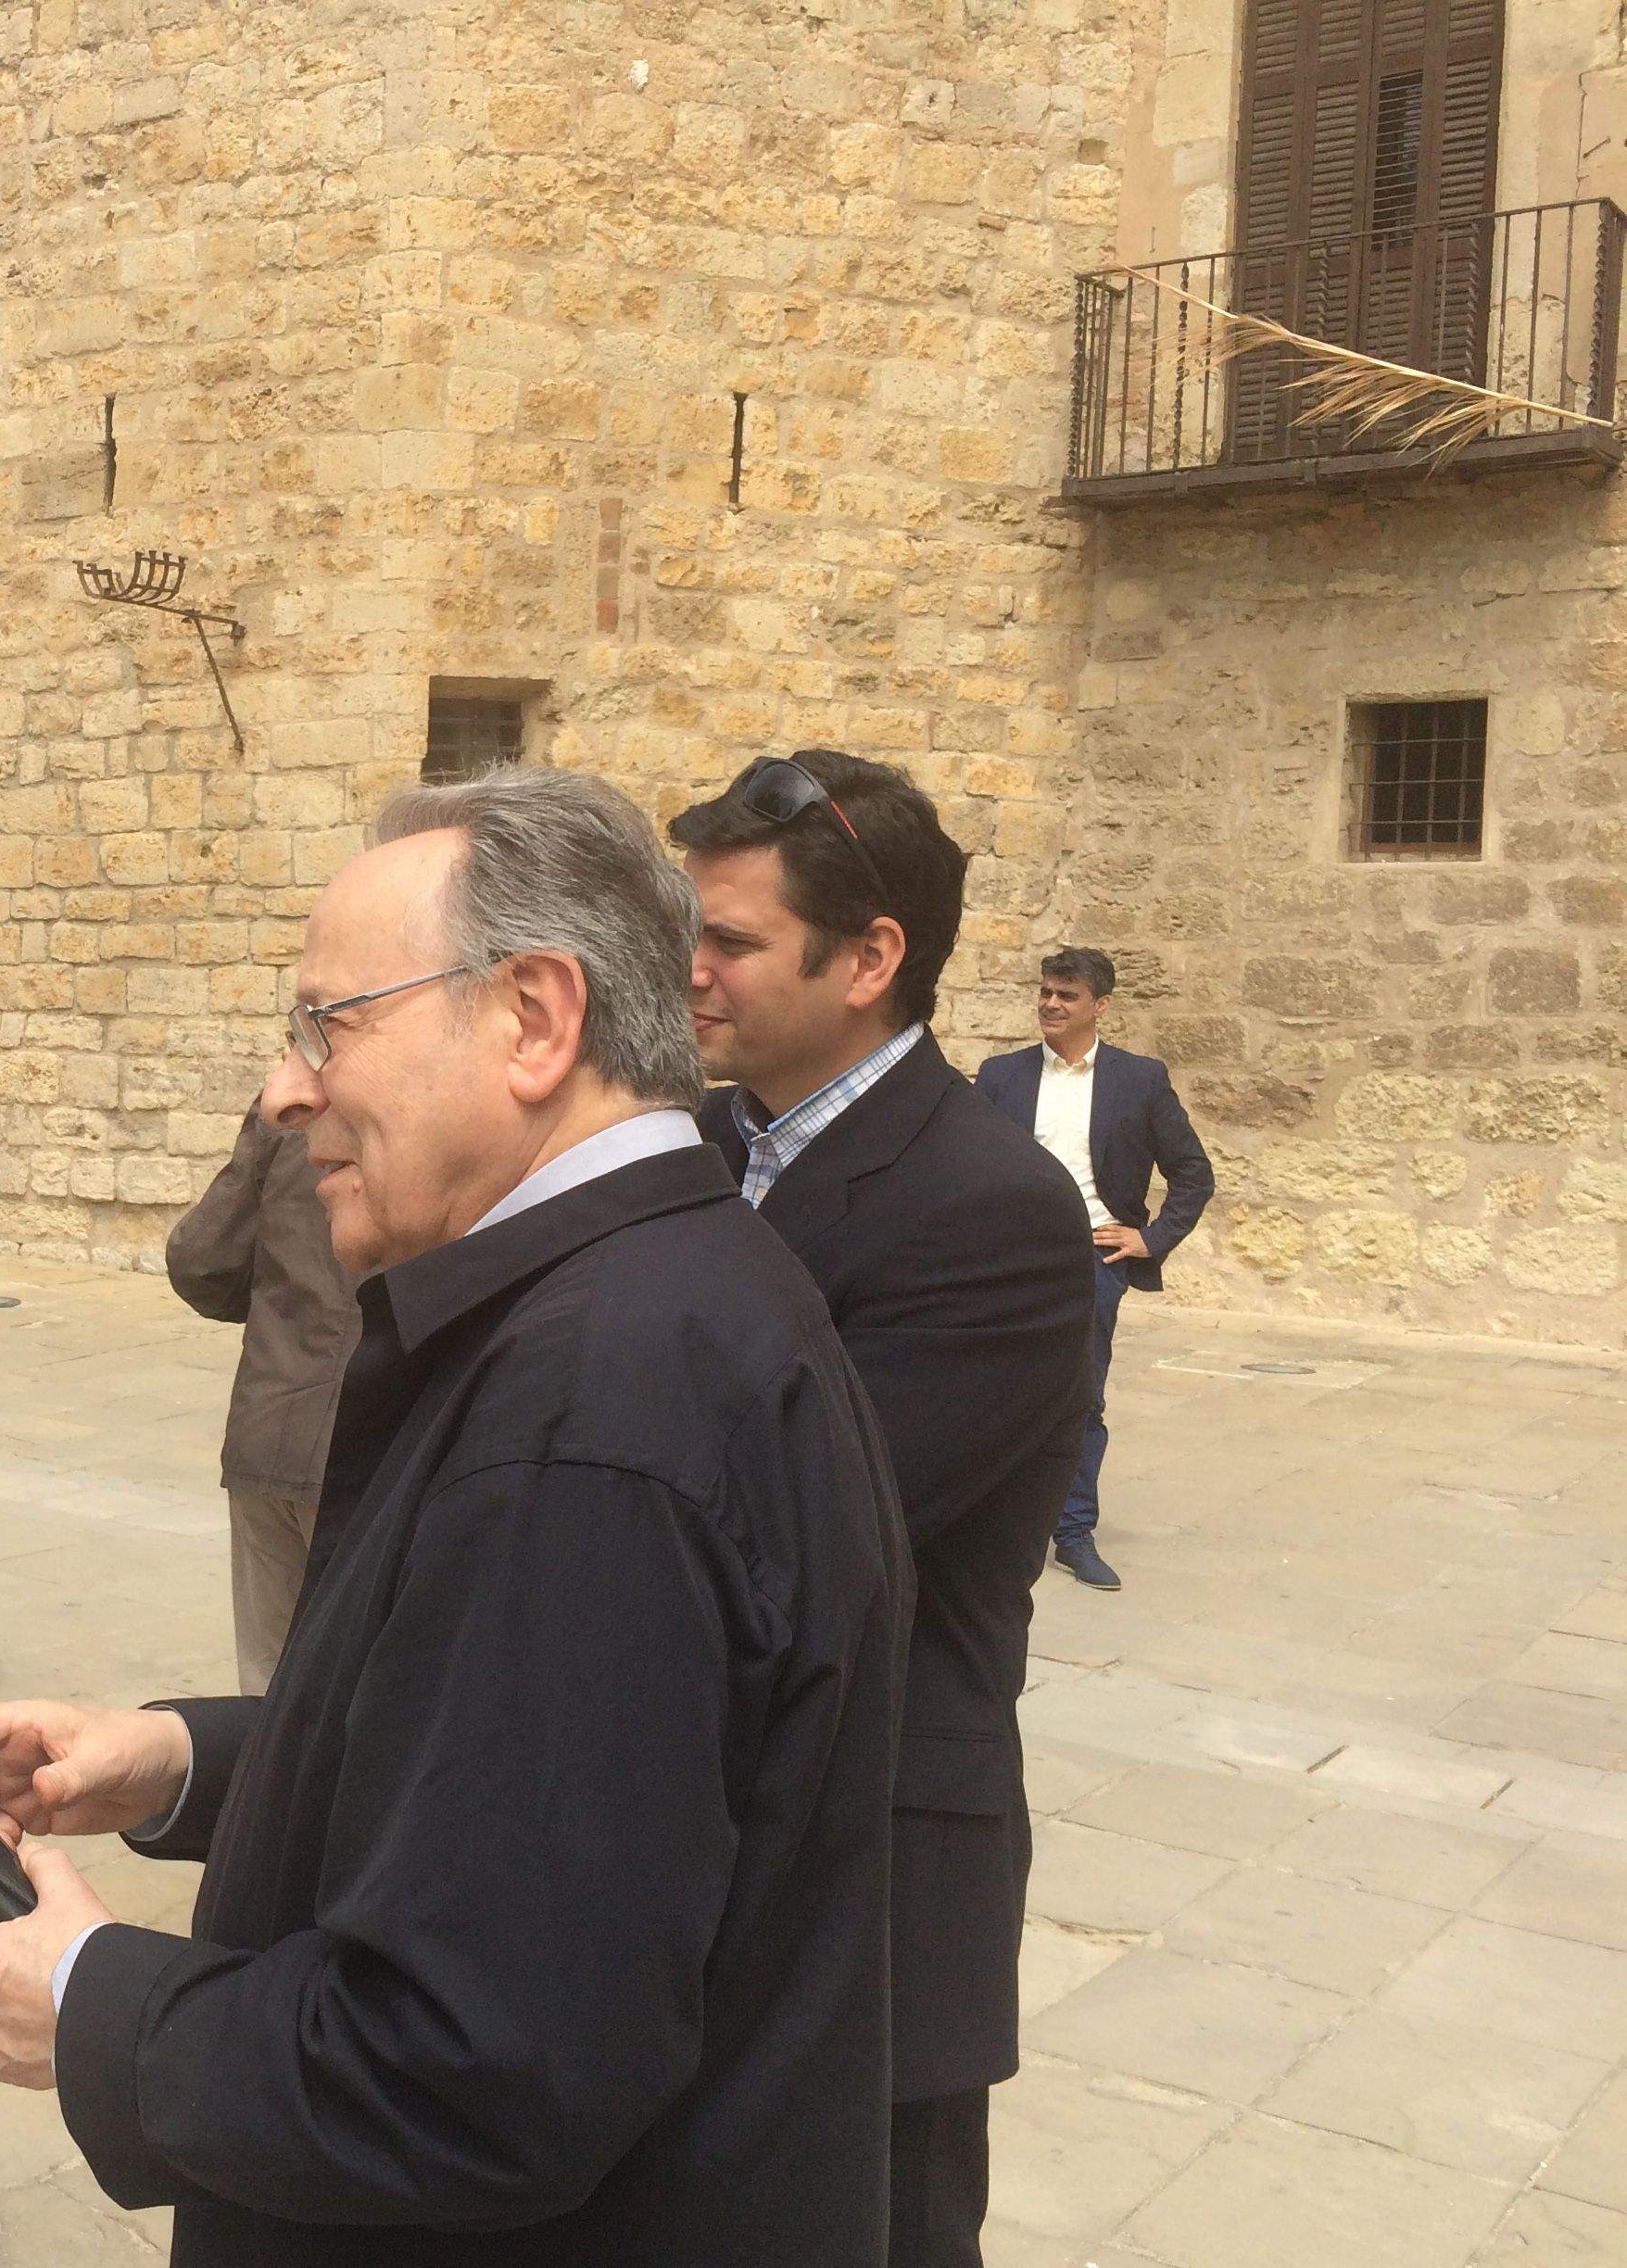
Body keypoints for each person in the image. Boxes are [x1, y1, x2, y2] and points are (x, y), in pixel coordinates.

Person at [0, 765, 910, 2266]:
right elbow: (514, 1782)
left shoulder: (591, 1413)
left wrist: (88, 1995)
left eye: (328, 1020)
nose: (283, 1085)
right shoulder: (652, 1295)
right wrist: (174, 1760)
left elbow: (476, 2066)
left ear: (530, 1017)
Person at [667, 749, 1095, 2268]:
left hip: (869, 1869)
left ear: (866, 959)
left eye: (724, 938)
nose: (687, 970)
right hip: (690, 1846)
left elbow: (790, 1534)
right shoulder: (696, 1151)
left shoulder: (987, 1206)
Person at [975, 947, 1217, 1594]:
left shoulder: (1138, 1080)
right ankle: (991, 1522)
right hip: (1011, 1257)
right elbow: (969, 1165)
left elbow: (1193, 1173)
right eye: (1046, 992)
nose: (1052, 1004)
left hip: (1093, 1256)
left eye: (1068, 996)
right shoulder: (1002, 1076)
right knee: (994, 1388)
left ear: (1100, 1005)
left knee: (1081, 1394)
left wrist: (1152, 1238)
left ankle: (1074, 1532)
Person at [163, 1105, 358, 1694]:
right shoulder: (458, 1114)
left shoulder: (288, 1115)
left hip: (270, 1425)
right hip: (370, 1445)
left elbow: (202, 1259)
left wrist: (282, 1304)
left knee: (268, 1687)